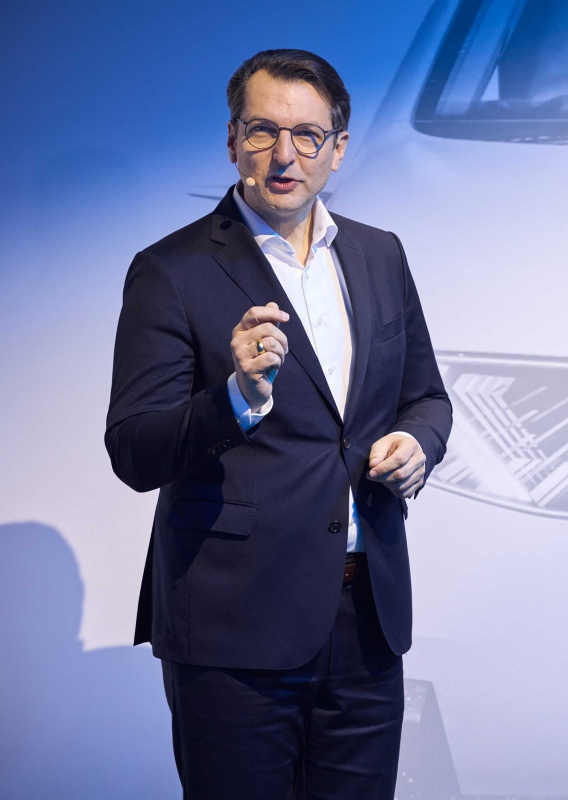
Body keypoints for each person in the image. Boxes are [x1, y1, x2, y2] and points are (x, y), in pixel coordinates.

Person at [104, 49, 453, 799]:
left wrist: (417, 443)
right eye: (263, 131)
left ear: (339, 147)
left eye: (307, 135)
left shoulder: (380, 254)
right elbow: (134, 449)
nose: (285, 155)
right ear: (233, 140)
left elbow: (427, 398)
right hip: (234, 626)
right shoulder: (171, 270)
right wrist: (235, 396)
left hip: (367, 619)